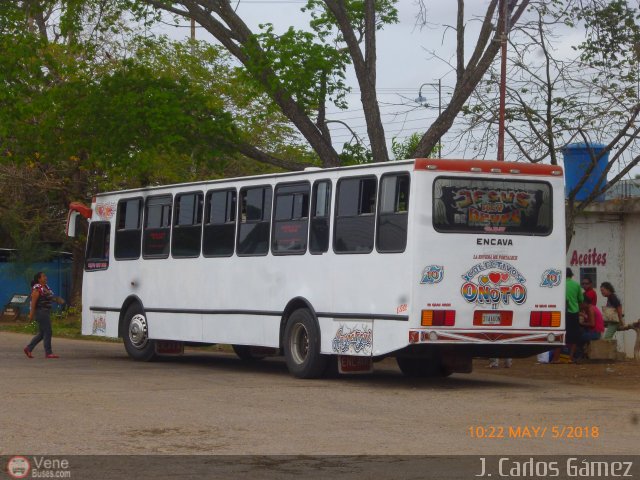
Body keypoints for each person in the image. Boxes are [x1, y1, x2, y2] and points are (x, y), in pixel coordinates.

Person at [23, 272, 65, 359]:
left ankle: (28, 348)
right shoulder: (37, 289)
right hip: (41, 312)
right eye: (43, 276)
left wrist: (56, 300)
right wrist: (31, 315)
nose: (46, 277)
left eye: (46, 276)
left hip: (45, 312)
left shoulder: (46, 288)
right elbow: (33, 303)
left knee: (42, 333)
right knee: (48, 331)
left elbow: (49, 297)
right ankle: (48, 353)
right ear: (39, 279)